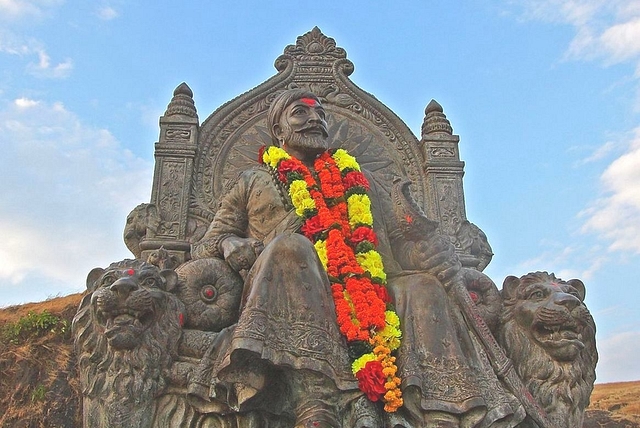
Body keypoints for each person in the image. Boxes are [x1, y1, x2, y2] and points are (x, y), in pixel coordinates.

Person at [191, 89, 525, 428]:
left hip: (367, 284)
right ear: (278, 132)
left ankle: (440, 410)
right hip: (287, 281)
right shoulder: (253, 180)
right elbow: (208, 243)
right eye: (300, 113)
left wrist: (425, 256)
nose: (314, 120)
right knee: (292, 247)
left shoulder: (358, 179)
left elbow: (395, 248)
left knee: (422, 286)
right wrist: (231, 243)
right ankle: (314, 401)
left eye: (321, 114)